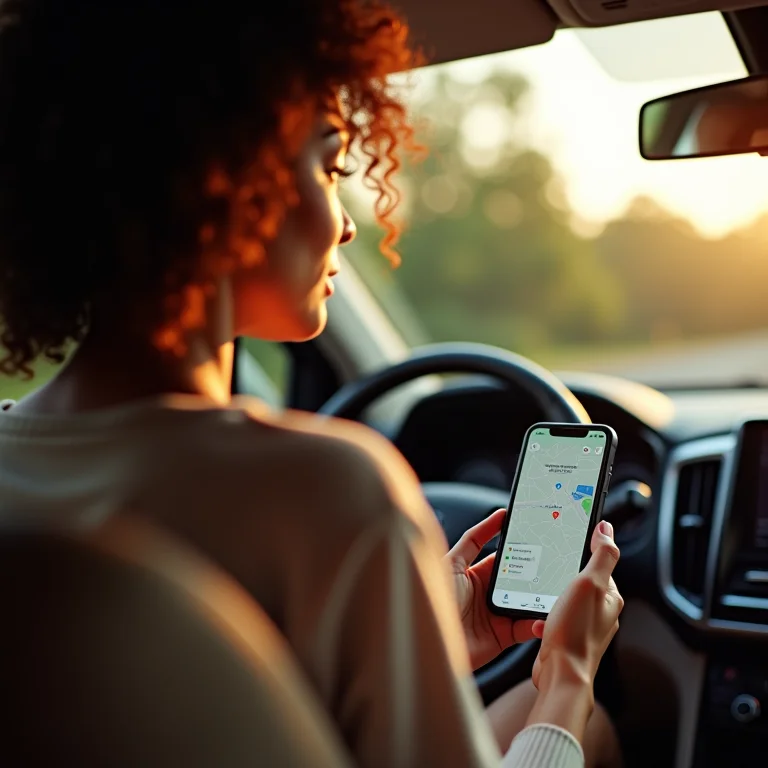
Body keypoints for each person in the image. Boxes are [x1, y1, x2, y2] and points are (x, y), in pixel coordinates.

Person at [0, 1, 624, 767]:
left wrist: (431, 628)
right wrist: (569, 675)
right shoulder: (329, 492)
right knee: (577, 724)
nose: (351, 222)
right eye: (329, 166)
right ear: (231, 181)